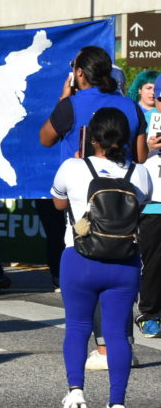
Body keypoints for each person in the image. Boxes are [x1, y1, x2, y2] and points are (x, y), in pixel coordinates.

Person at [40, 46, 147, 370]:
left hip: (80, 197)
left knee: (90, 261)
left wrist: (64, 98)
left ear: (80, 74)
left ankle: (101, 351)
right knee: (118, 260)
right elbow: (141, 156)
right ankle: (118, 345)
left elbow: (45, 138)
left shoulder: (71, 105)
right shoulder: (129, 105)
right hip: (124, 195)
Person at [52, 108, 151, 408]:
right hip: (123, 264)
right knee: (118, 334)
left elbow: (59, 203)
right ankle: (117, 402)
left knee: (78, 326)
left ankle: (76, 391)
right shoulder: (140, 173)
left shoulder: (72, 167)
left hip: (79, 259)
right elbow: (140, 206)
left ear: (92, 137)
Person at [137, 77, 161, 339]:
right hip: (153, 203)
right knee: (154, 263)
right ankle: (150, 314)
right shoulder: (143, 120)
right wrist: (149, 147)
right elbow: (130, 156)